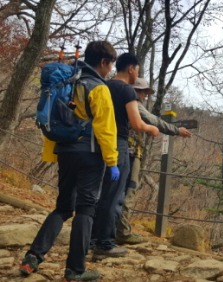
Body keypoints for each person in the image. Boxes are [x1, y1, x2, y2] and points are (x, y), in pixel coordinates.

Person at [19, 41, 118, 282]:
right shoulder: (98, 87)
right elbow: (105, 128)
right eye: (111, 65)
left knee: (63, 207)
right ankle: (75, 271)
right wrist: (112, 161)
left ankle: (32, 258)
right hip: (89, 154)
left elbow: (54, 117)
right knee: (85, 209)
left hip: (64, 151)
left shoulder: (66, 81)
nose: (111, 70)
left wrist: (52, 153)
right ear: (103, 62)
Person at [91, 54, 159, 260]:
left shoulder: (102, 86)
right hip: (118, 145)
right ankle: (105, 244)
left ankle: (92, 239)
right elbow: (137, 123)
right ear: (130, 68)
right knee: (114, 196)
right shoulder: (126, 90)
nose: (137, 73)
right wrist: (151, 128)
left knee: (101, 194)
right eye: (137, 70)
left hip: (97, 143)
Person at [116, 77, 192, 245]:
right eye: (144, 92)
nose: (145, 96)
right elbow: (153, 120)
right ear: (137, 91)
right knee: (129, 190)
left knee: (116, 191)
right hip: (129, 153)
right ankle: (122, 232)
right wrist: (176, 130)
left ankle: (112, 229)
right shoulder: (133, 103)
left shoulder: (117, 100)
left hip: (115, 151)